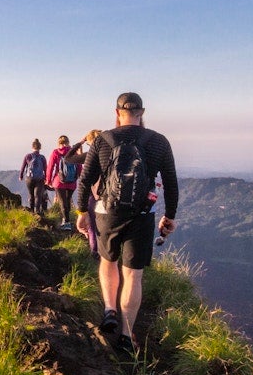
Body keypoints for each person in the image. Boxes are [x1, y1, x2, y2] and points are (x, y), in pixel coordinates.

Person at [75, 93, 177, 354]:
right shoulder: (159, 142)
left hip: (107, 213)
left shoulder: (103, 140)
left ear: (116, 112)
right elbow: (170, 183)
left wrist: (81, 211)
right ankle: (126, 334)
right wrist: (169, 216)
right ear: (142, 112)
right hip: (141, 215)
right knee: (133, 274)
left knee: (108, 261)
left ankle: (110, 309)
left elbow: (85, 180)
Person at [65, 128, 103, 252]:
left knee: (92, 226)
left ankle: (95, 253)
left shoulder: (89, 156)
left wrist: (80, 143)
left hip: (93, 195)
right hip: (110, 196)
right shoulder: (109, 154)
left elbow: (68, 158)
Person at [46, 135, 79, 230]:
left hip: (59, 181)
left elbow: (50, 167)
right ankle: (67, 220)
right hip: (72, 181)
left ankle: (66, 222)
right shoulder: (73, 152)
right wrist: (77, 177)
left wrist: (48, 180)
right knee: (68, 200)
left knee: (62, 202)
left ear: (59, 143)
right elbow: (79, 166)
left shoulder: (56, 152)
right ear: (68, 142)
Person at [19, 140, 47, 213]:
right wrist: (46, 178)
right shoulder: (42, 157)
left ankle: (31, 212)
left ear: (32, 147)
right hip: (40, 179)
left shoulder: (28, 156)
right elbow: (45, 169)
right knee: (38, 195)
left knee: (31, 195)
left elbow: (23, 167)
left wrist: (21, 176)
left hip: (29, 179)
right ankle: (37, 211)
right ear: (40, 148)